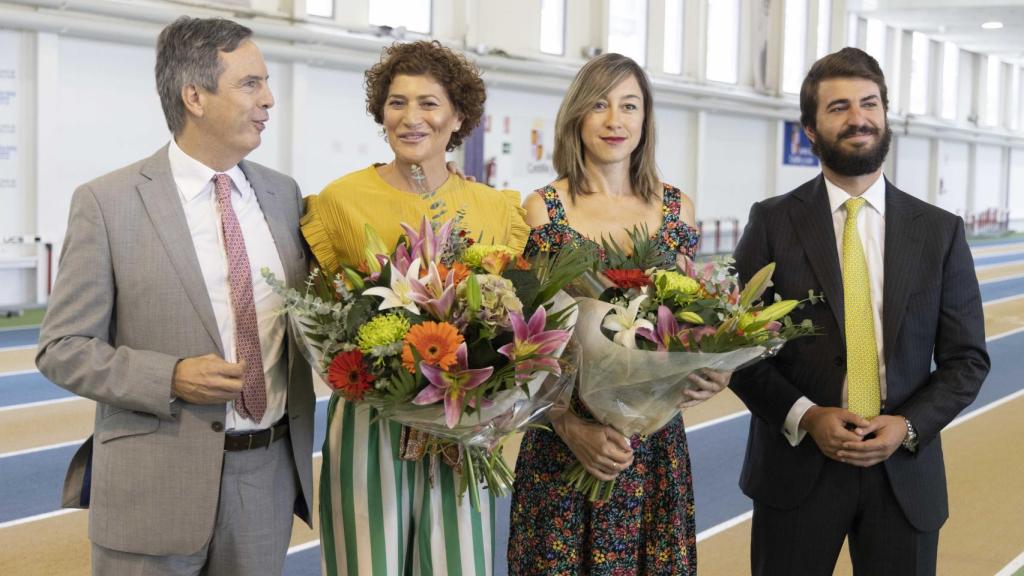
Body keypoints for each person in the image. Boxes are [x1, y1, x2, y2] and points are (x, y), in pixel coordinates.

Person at [36, 17, 314, 575]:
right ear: (195, 97)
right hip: (152, 482)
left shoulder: (283, 196)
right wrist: (170, 376)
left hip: (265, 479)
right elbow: (61, 347)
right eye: (250, 84)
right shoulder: (107, 203)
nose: (269, 99)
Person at [730, 47, 990, 575]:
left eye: (869, 103)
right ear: (810, 129)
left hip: (904, 477)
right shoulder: (772, 222)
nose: (858, 118)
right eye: (839, 107)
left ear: (886, 115)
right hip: (797, 471)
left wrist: (908, 425)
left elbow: (967, 360)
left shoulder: (939, 232)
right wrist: (807, 416)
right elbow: (736, 349)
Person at [301, 40, 529, 575]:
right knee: (367, 563)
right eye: (397, 102)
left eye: (428, 103)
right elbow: (319, 309)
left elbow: (513, 316)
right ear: (381, 113)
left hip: (460, 418)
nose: (411, 117)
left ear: (458, 117)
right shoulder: (339, 201)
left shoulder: (495, 208)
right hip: (370, 417)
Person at [507, 53, 730, 575]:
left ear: (646, 120)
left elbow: (686, 319)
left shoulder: (676, 208)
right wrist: (566, 425)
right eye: (600, 105)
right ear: (577, 116)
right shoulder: (542, 210)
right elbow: (527, 339)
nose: (615, 120)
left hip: (651, 446)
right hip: (567, 446)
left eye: (630, 106)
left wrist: (709, 369)